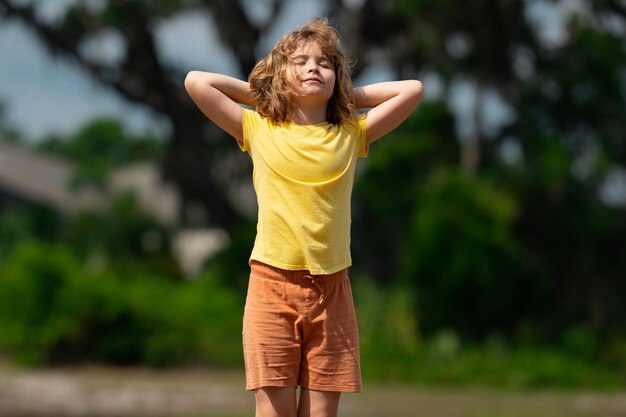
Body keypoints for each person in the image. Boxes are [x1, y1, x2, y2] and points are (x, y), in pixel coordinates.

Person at [185, 17, 423, 417]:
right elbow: (196, 82)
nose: (313, 67)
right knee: (273, 410)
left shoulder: (350, 133)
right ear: (281, 75)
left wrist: (344, 97)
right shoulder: (259, 127)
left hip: (332, 290)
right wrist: (271, 93)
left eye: (325, 64)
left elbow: (411, 90)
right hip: (271, 284)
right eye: (300, 62)